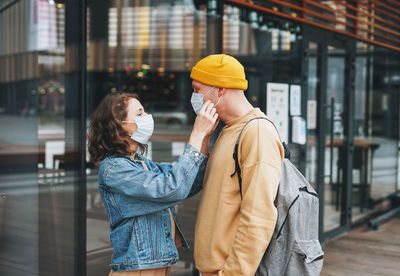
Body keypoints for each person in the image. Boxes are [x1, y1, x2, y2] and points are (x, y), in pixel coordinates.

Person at [87, 92, 218, 275]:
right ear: (120, 126)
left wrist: (204, 136)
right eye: (139, 114)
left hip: (155, 266)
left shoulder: (141, 163)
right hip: (139, 269)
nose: (147, 117)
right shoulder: (114, 169)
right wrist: (196, 133)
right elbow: (172, 189)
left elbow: (188, 182)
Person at [190, 54, 285, 276]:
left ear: (220, 90)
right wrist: (202, 136)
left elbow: (259, 215)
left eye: (197, 89)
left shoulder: (257, 132)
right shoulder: (229, 128)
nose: (194, 97)